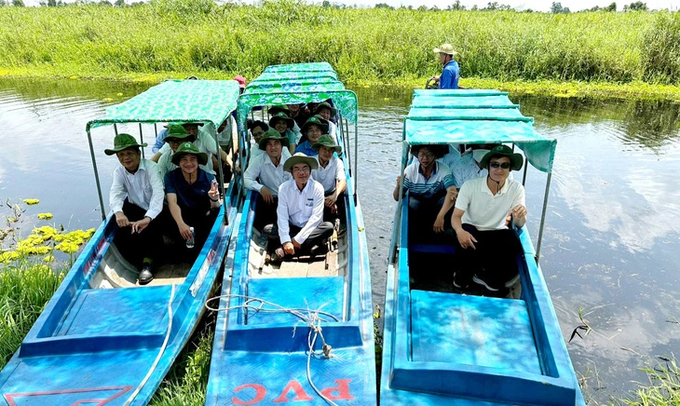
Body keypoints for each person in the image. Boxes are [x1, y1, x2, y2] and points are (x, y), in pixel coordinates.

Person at [451, 145, 527, 297]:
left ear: (510, 169)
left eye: (505, 165)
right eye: (495, 165)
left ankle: (484, 274)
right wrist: (459, 231)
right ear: (488, 167)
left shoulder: (516, 188)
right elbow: (456, 216)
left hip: (495, 231)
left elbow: (519, 224)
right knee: (461, 282)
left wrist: (521, 215)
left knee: (512, 240)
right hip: (471, 229)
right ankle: (465, 274)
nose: (499, 169)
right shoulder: (470, 186)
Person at [105, 133, 164, 285]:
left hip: (157, 212)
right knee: (121, 226)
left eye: (130, 153)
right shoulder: (119, 172)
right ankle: (136, 259)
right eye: (121, 155)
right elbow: (116, 194)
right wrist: (118, 213)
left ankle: (147, 263)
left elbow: (158, 196)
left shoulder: (152, 167)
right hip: (136, 209)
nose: (126, 158)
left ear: (138, 153)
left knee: (150, 228)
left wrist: (147, 218)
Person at [263, 153, 334, 262]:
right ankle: (305, 247)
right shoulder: (284, 188)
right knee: (268, 229)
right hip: (292, 227)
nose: (301, 172)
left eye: (305, 168)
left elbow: (316, 218)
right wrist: (286, 240)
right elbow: (282, 216)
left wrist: (298, 240)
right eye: (297, 169)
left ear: (310, 171)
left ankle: (289, 249)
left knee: (328, 227)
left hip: (311, 229)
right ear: (292, 173)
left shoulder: (317, 188)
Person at [165, 142, 222, 261]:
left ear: (198, 161)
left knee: (215, 214)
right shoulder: (171, 176)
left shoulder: (208, 178)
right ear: (179, 162)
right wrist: (181, 224)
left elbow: (215, 206)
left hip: (203, 217)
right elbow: (172, 202)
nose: (189, 163)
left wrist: (214, 198)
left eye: (192, 159)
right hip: (182, 216)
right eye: (184, 159)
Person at [393, 144, 458, 238]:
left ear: (435, 155)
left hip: (436, 205)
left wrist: (440, 217)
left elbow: (452, 191)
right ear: (417, 156)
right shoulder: (410, 170)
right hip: (418, 207)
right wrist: (398, 186)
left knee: (445, 199)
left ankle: (443, 229)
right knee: (412, 203)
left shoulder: (444, 169)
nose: (425, 158)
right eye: (421, 155)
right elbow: (396, 197)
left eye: (429, 154)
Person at [243, 129, 292, 230]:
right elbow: (245, 179)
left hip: (290, 200)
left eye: (276, 143)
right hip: (271, 200)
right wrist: (261, 188)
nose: (273, 147)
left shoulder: (289, 161)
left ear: (282, 146)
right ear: (265, 147)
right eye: (269, 144)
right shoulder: (259, 160)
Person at [311, 134, 347, 223]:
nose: (327, 153)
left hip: (331, 194)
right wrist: (323, 200)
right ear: (318, 149)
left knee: (338, 207)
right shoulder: (311, 162)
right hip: (313, 194)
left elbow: (342, 181)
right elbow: (307, 185)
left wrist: (335, 195)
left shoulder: (337, 162)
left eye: (330, 150)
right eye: (324, 149)